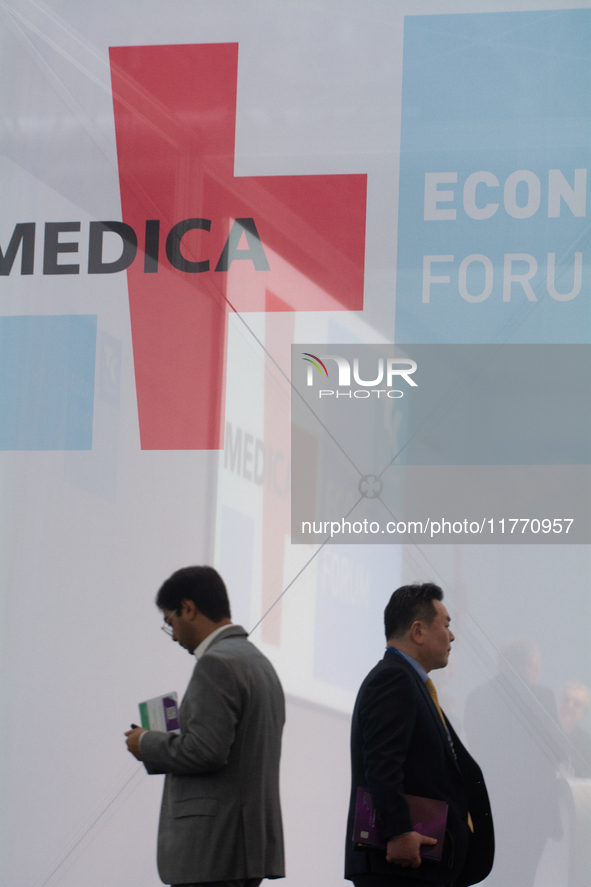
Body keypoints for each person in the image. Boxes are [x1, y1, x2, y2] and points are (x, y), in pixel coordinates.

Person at [125, 566, 285, 887]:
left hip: (212, 848)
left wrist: (146, 743)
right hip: (246, 847)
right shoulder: (260, 664)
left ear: (188, 608)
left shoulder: (216, 663)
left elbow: (206, 751)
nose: (174, 636)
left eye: (171, 622)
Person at [345, 583, 494, 887]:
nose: (452, 636)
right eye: (446, 625)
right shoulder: (393, 679)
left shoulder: (410, 682)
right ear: (418, 631)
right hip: (399, 866)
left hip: (416, 866)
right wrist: (398, 832)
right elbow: (383, 765)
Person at [464, 637, 563, 887]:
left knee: (496, 874)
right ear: (527, 666)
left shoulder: (476, 698)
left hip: (493, 806)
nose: (539, 671)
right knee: (523, 877)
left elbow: (475, 751)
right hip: (533, 811)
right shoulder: (542, 697)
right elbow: (558, 750)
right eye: (537, 665)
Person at [557, 682, 591, 778]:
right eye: (566, 700)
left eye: (577, 704)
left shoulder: (589, 745)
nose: (570, 705)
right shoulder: (536, 732)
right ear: (556, 702)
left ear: (584, 713)